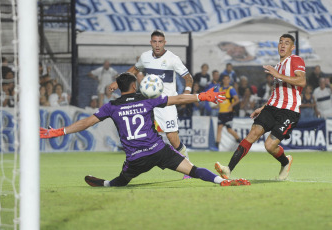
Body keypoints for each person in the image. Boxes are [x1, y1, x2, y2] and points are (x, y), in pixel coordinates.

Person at [40, 72, 250, 187]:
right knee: (193, 170)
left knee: (122, 181)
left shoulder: (111, 106)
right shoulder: (147, 100)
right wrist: (202, 96)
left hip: (135, 158)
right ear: (133, 87)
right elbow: (177, 98)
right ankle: (222, 181)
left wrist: (60, 131)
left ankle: (106, 184)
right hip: (159, 150)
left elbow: (87, 122)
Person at [215, 34, 306, 181]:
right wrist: (263, 107)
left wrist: (278, 75)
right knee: (253, 133)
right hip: (272, 107)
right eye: (280, 42)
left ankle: (285, 162)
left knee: (269, 146)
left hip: (289, 111)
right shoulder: (277, 66)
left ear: (292, 47)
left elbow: (301, 81)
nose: (283, 45)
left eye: (287, 43)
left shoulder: (296, 60)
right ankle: (228, 169)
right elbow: (277, 92)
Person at [109, 30, 193, 178]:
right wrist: (117, 82)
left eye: (160, 42)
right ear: (151, 43)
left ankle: (188, 164)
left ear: (165, 42)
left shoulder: (173, 59)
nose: (157, 45)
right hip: (148, 101)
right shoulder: (145, 57)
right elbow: (134, 70)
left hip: (166, 102)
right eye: (154, 41)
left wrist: (187, 92)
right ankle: (132, 163)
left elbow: (188, 78)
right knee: (139, 133)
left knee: (173, 138)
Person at [212, 75, 241, 151]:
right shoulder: (220, 89)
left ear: (229, 80)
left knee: (229, 130)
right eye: (225, 79)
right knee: (219, 128)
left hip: (228, 113)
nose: (226, 81)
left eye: (227, 79)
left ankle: (240, 141)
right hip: (221, 112)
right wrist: (216, 106)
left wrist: (231, 106)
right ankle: (216, 146)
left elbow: (237, 100)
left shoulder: (231, 89)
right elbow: (220, 101)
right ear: (223, 80)